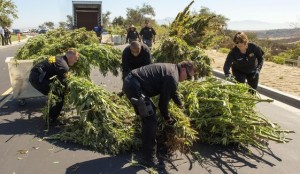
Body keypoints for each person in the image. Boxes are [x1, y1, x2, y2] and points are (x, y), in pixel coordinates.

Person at [122, 61, 196, 168]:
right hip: (134, 87)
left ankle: (147, 149)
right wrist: (168, 118)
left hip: (133, 82)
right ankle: (148, 158)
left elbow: (172, 91)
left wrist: (180, 104)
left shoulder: (172, 70)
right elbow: (163, 104)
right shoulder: (172, 76)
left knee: (149, 115)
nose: (187, 79)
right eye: (188, 76)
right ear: (183, 69)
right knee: (150, 121)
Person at [29, 48, 79, 126]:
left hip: (37, 75)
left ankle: (53, 114)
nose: (76, 61)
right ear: (70, 57)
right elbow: (65, 83)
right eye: (76, 59)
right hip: (38, 79)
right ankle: (51, 119)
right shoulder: (63, 65)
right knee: (58, 96)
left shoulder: (59, 58)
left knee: (57, 93)